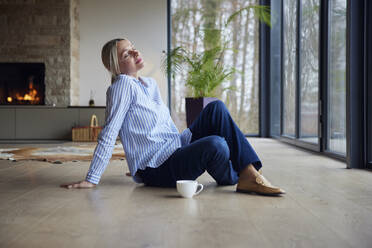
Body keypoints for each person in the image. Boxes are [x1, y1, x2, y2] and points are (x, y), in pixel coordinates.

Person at [61, 38, 285, 196]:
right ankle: (240, 176)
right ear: (114, 66)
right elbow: (109, 133)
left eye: (133, 48)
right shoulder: (121, 86)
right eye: (127, 54)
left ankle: (247, 174)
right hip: (159, 169)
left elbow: (161, 126)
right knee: (217, 146)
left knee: (216, 108)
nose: (136, 53)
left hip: (172, 149)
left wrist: (178, 145)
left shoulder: (148, 84)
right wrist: (92, 178)